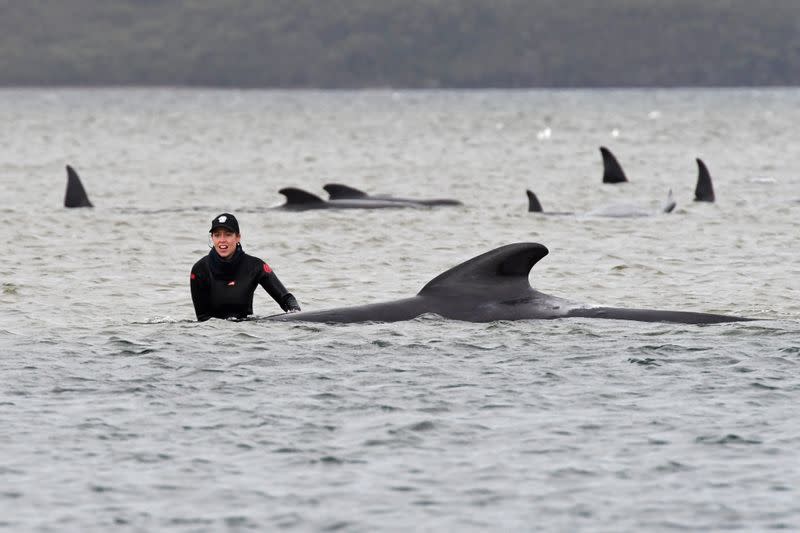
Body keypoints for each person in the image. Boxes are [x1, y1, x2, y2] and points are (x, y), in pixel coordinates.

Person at [190, 213, 301, 321]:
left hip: (246, 333)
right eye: (217, 235)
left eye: (228, 234)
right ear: (212, 238)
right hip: (214, 335)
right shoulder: (200, 270)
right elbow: (202, 319)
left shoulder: (255, 266)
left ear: (238, 237)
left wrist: (297, 316)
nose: (222, 240)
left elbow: (286, 299)